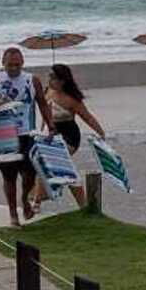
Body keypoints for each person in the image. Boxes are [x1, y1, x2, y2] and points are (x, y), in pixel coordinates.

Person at [0, 47, 54, 227]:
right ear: (3, 63)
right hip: (3, 135)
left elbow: (42, 103)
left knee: (29, 176)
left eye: (17, 65)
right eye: (10, 65)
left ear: (22, 63)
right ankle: (12, 213)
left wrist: (50, 125)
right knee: (9, 176)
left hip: (27, 134)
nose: (14, 68)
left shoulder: (32, 80)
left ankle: (24, 200)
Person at [31, 64, 106, 209]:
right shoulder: (47, 92)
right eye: (49, 76)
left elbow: (87, 117)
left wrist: (101, 132)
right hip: (50, 136)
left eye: (53, 77)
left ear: (62, 80)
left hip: (69, 137)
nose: (49, 79)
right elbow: (45, 115)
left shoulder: (71, 99)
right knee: (43, 163)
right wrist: (42, 131)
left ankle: (81, 204)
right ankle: (38, 201)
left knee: (54, 164)